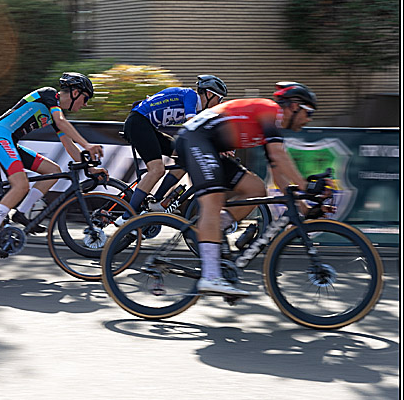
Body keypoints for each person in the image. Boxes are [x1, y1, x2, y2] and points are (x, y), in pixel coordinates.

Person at [174, 81, 319, 297]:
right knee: (213, 201)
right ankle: (211, 276)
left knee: (256, 188)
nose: (309, 119)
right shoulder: (271, 111)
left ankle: (213, 232)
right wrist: (306, 187)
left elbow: (278, 172)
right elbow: (280, 156)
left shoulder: (273, 124)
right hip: (194, 139)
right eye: (308, 113)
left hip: (209, 146)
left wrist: (302, 205)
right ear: (295, 106)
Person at [0, 73, 106, 256]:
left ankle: (21, 213)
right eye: (85, 99)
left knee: (53, 170)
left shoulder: (56, 114)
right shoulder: (49, 95)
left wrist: (90, 168)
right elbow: (62, 122)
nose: (85, 104)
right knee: (21, 184)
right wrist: (87, 145)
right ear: (75, 92)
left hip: (10, 140)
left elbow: (69, 145)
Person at [121, 75, 228, 217]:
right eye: (219, 99)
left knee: (184, 157)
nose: (219, 103)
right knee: (157, 169)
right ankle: (128, 215)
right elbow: (192, 126)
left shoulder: (198, 110)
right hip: (138, 123)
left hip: (148, 126)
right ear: (209, 94)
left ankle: (156, 202)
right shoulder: (191, 96)